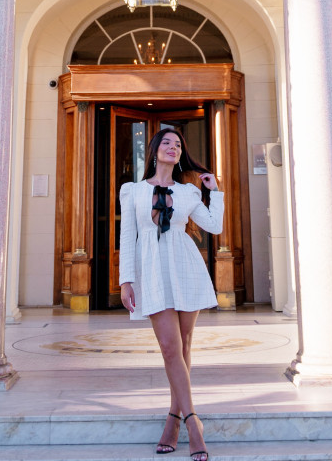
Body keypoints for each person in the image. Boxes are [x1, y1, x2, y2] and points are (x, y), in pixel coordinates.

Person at [119, 127, 224, 461]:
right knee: (169, 347)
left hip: (185, 268)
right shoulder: (133, 191)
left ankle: (174, 419)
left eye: (178, 144)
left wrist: (214, 192)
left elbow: (214, 226)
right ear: (154, 150)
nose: (172, 147)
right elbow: (127, 237)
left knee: (184, 346)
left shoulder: (188, 192)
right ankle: (193, 423)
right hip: (151, 271)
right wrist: (125, 280)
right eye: (166, 142)